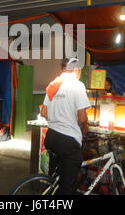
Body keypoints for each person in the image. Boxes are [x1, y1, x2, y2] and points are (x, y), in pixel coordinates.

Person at [40, 57, 90, 195]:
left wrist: (58, 115)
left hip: (51, 137)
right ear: (77, 70)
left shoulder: (53, 84)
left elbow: (44, 112)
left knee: (56, 179)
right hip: (68, 140)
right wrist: (86, 128)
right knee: (68, 187)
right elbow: (82, 118)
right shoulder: (77, 85)